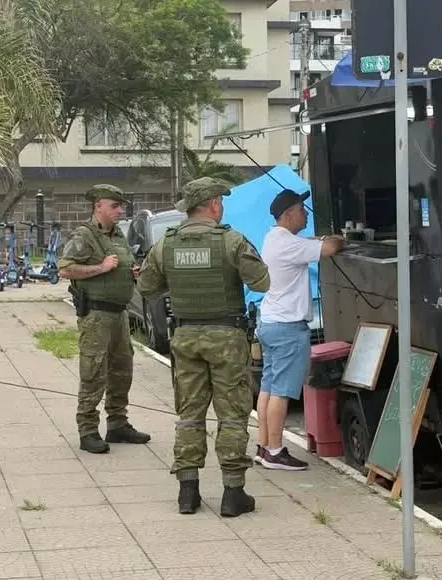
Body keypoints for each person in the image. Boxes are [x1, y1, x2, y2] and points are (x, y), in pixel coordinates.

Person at [136, 177, 271, 517]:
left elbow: (147, 287)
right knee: (232, 414)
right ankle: (233, 493)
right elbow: (262, 282)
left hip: (185, 338)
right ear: (213, 205)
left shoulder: (166, 244)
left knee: (189, 415)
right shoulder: (231, 240)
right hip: (226, 338)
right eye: (220, 202)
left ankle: (188, 492)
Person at [58, 184, 152, 454]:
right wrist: (101, 267)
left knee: (122, 370)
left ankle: (117, 424)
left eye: (121, 206)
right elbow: (65, 269)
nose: (120, 211)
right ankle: (88, 430)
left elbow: (121, 264)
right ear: (98, 206)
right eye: (114, 206)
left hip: (119, 313)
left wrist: (131, 272)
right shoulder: (84, 235)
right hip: (96, 315)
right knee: (94, 371)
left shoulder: (118, 235)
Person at [254, 189, 343, 470]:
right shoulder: (290, 246)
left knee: (268, 387)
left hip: (270, 323)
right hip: (287, 328)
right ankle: (276, 451)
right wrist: (340, 238)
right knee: (281, 391)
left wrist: (317, 240)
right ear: (289, 213)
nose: (306, 215)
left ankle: (264, 446)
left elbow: (308, 244)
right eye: (302, 210)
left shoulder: (274, 239)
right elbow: (331, 248)